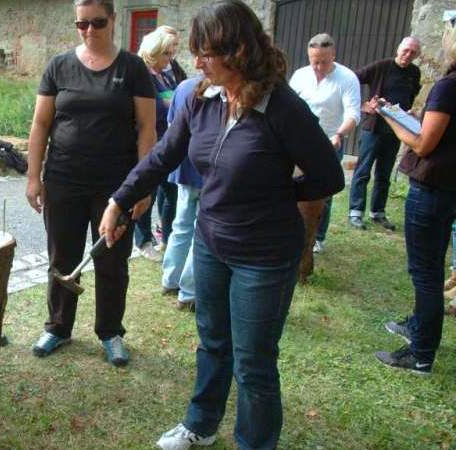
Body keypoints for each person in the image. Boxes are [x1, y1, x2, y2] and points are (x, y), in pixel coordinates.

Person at [99, 1, 344, 447]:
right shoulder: (199, 97)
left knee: (253, 363)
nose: (197, 63)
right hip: (211, 242)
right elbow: (163, 155)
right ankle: (201, 425)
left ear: (239, 51)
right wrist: (120, 199)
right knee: (213, 342)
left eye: (206, 53)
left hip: (265, 256)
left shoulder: (283, 108)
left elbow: (330, 176)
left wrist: (276, 194)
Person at [26, 0, 156, 367]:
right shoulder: (59, 66)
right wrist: (34, 177)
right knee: (61, 256)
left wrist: (142, 184)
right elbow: (40, 124)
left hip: (116, 186)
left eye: (97, 22)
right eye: (81, 24)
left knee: (112, 260)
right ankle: (58, 327)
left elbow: (148, 128)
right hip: (63, 180)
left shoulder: (132, 68)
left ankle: (110, 331)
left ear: (113, 20)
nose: (89, 31)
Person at [376, 11, 456, 376]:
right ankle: (417, 327)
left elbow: (423, 143)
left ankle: (421, 354)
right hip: (448, 187)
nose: (442, 37)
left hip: (434, 188)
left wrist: (392, 119)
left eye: (447, 31)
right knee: (430, 265)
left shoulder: (448, 86)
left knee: (424, 272)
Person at [289, 33, 360, 255]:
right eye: (314, 61)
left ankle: (317, 237)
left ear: (333, 56)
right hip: (298, 141)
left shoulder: (347, 78)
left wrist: (339, 134)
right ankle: (292, 231)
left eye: (323, 62)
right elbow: (287, 106)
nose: (318, 66)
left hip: (329, 141)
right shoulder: (300, 76)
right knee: (292, 187)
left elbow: (353, 114)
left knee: (323, 191)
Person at [348, 36, 422, 231]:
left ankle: (378, 212)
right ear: (398, 49)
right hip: (373, 128)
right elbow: (351, 79)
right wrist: (362, 106)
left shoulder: (414, 72)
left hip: (396, 131)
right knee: (363, 171)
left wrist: (408, 113)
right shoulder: (382, 66)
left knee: (384, 173)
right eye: (405, 50)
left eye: (413, 52)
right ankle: (356, 212)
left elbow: (410, 96)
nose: (408, 55)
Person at [134, 27, 181, 262]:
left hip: (168, 143)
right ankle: (143, 241)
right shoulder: (142, 74)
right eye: (167, 54)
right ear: (154, 52)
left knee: (170, 190)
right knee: (146, 191)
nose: (170, 60)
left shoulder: (167, 73)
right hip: (150, 143)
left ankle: (167, 236)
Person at [160, 76, 203, 312]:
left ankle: (170, 279)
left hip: (185, 166)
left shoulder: (183, 86)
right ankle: (188, 292)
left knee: (182, 224)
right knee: (200, 231)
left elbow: (171, 129)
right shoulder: (223, 88)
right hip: (207, 171)